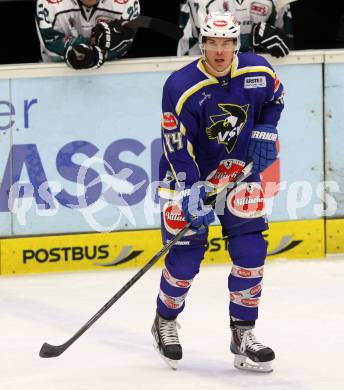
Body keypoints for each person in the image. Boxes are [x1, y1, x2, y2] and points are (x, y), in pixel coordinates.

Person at [151, 11, 284, 373]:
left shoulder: (258, 72)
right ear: (203, 43)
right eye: (212, 42)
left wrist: (266, 130)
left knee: (251, 251)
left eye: (226, 43)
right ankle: (165, 320)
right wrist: (191, 188)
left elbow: (276, 98)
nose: (219, 50)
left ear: (236, 44)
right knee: (185, 259)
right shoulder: (180, 85)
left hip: (238, 175)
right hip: (184, 178)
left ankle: (243, 332)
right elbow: (176, 145)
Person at [36, 0, 140, 69]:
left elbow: (125, 44)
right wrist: (94, 48)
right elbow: (50, 41)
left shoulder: (128, 2)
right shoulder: (48, 2)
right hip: (57, 68)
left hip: (110, 70)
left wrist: (98, 52)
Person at [177, 0, 295, 57]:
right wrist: (251, 38)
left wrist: (275, 37)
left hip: (256, 70)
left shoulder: (277, 1)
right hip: (197, 67)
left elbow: (287, 43)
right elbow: (210, 45)